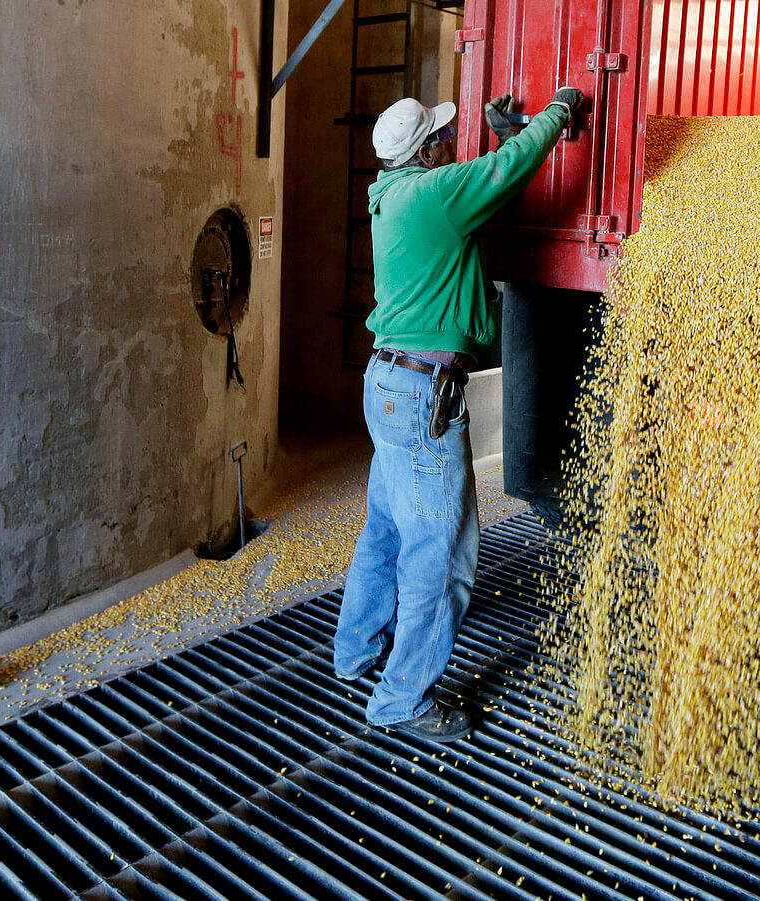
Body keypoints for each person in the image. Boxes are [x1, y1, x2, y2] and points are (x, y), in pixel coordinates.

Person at [334, 87, 586, 742]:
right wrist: (556, 115)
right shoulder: (433, 196)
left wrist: (502, 137)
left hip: (387, 384)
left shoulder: (391, 198)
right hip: (423, 397)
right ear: (424, 150)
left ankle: (356, 650)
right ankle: (401, 698)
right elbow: (506, 173)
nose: (447, 142)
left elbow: (475, 190)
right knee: (440, 553)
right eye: (439, 137)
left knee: (386, 527)